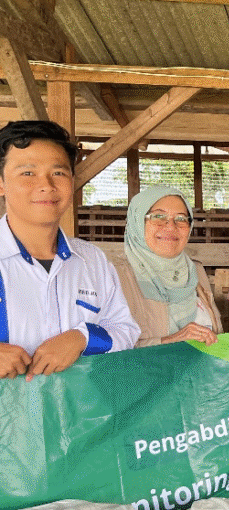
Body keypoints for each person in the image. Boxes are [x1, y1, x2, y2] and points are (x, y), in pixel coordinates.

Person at [0, 120, 139, 379]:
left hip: (78, 405)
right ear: (1, 183)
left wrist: (83, 338)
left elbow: (125, 330)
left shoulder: (92, 260)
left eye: (58, 173)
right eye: (28, 173)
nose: (46, 185)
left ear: (72, 181)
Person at [113, 185, 222, 346]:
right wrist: (169, 342)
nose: (171, 226)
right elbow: (102, 350)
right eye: (158, 216)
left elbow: (217, 335)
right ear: (137, 221)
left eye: (181, 219)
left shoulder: (195, 271)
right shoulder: (114, 276)